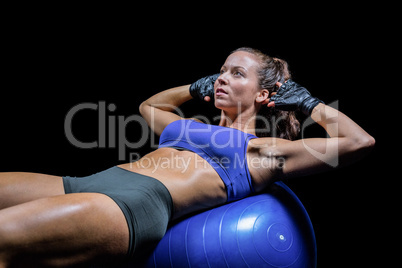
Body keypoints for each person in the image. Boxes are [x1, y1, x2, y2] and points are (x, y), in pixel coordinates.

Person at [0, 47, 375, 267]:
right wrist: (195, 88)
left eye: (236, 73)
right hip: (90, 182)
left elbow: (358, 142)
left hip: (131, 205)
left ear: (264, 94)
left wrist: (309, 103)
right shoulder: (188, 128)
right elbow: (150, 105)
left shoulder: (260, 152)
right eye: (220, 71)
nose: (221, 78)